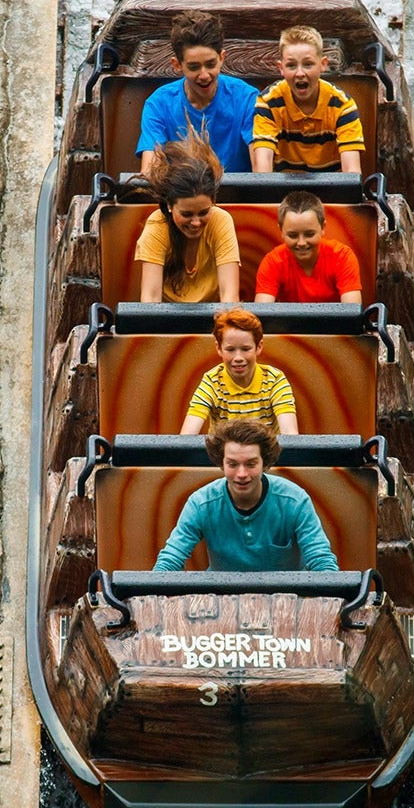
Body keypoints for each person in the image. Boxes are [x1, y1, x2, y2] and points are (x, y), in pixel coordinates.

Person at [153, 419, 340, 573]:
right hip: (220, 600)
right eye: (233, 464)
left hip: (287, 600)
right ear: (221, 463)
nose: (241, 474)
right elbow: (172, 557)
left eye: (251, 464)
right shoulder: (201, 503)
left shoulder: (295, 501)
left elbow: (321, 559)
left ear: (265, 462)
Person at [137, 10, 259, 177]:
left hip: (238, 198)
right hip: (182, 197)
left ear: (222, 58)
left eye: (210, 64)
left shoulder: (246, 98)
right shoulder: (159, 104)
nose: (204, 75)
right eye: (194, 67)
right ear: (177, 65)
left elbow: (261, 169)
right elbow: (151, 169)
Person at [129, 131, 241, 303]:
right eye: (186, 214)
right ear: (169, 206)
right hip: (165, 322)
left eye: (203, 212)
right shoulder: (157, 225)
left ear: (213, 202)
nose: (196, 222)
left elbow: (230, 296)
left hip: (214, 319)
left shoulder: (221, 220)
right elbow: (150, 299)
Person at [249, 25, 367, 174]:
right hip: (283, 191)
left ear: (322, 64)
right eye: (291, 65)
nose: (300, 73)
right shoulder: (268, 102)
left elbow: (352, 170)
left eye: (308, 64)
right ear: (281, 68)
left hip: (332, 191)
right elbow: (263, 165)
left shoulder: (342, 106)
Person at [181, 307, 299, 435]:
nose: (238, 358)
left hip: (264, 454)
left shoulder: (274, 380)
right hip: (224, 453)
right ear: (219, 348)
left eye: (245, 349)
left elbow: (290, 434)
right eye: (230, 350)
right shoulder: (212, 381)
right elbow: (188, 434)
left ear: (258, 347)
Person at [252, 191, 364, 304]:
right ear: (281, 231)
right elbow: (262, 312)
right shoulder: (272, 262)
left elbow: (352, 310)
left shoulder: (342, 256)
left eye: (309, 234)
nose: (301, 242)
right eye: (293, 235)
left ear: (323, 228)